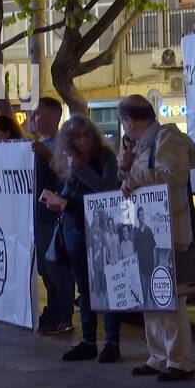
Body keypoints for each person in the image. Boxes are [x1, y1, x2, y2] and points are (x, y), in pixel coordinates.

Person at [118, 95, 195, 381]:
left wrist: (135, 178)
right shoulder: (139, 146)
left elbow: (176, 175)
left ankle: (180, 360)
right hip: (150, 231)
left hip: (171, 230)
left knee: (170, 296)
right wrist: (125, 167)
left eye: (124, 123)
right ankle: (158, 355)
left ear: (130, 121)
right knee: (150, 294)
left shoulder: (167, 138)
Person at [40, 115, 123, 364]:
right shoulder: (69, 160)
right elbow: (71, 192)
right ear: (69, 140)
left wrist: (79, 168)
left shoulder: (104, 157)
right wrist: (58, 201)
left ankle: (112, 342)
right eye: (77, 137)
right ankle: (88, 341)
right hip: (74, 228)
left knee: (106, 286)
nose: (84, 140)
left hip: (101, 229)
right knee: (85, 289)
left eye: (87, 135)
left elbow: (107, 190)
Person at [30, 96, 75, 335]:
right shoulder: (38, 143)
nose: (32, 118)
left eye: (37, 113)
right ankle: (53, 310)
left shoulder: (62, 144)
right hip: (38, 216)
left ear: (53, 117)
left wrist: (46, 155)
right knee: (45, 270)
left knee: (57, 267)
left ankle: (63, 315)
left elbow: (66, 174)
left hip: (54, 216)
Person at [133, 206, 157, 288]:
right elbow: (135, 251)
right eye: (140, 215)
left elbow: (153, 248)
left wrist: (154, 263)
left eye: (143, 214)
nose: (142, 216)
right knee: (144, 290)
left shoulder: (149, 231)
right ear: (138, 217)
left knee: (151, 289)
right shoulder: (136, 233)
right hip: (142, 268)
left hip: (150, 265)